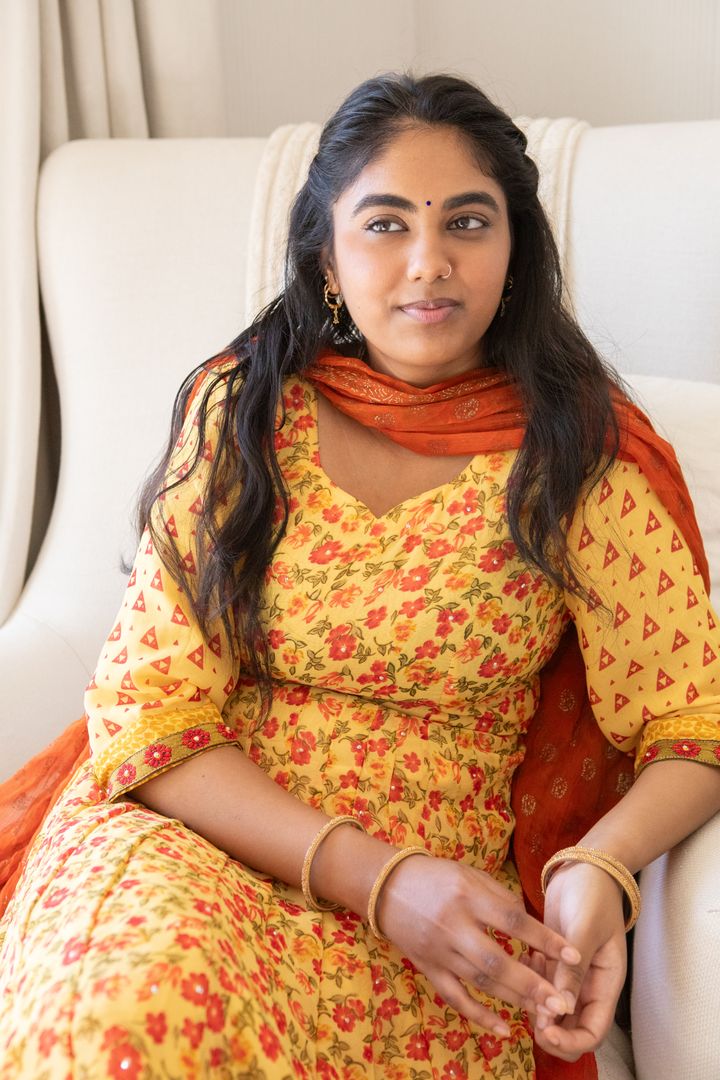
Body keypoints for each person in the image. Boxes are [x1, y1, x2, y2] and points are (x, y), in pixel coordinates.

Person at [1, 71, 719, 1080]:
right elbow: (150, 713)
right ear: (327, 262)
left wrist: (601, 865)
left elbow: (693, 722)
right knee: (127, 1023)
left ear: (515, 252)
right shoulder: (245, 412)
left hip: (440, 936)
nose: (430, 261)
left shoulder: (580, 460)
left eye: (467, 221)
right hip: (194, 846)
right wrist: (381, 880)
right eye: (385, 225)